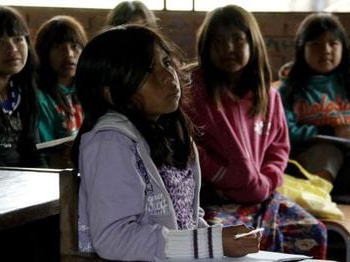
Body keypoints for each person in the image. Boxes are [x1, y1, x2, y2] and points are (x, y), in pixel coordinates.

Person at [72, 25, 261, 261]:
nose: (167, 75)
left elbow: (183, 221)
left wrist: (218, 238)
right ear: (111, 93)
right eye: (148, 70)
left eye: (167, 63)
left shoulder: (171, 134)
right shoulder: (112, 143)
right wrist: (209, 243)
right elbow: (114, 238)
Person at [186, 5, 327, 259]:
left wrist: (265, 183)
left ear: (253, 43)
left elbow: (279, 149)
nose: (228, 48)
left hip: (262, 196)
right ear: (206, 46)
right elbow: (189, 145)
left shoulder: (268, 96)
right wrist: (224, 177)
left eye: (238, 39)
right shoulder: (195, 90)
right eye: (219, 41)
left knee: (313, 231)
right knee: (229, 239)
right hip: (212, 197)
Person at [278, 12, 350, 260]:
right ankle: (315, 232)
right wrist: (325, 132)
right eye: (315, 44)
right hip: (311, 173)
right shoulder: (289, 88)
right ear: (301, 49)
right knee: (327, 152)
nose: (325, 50)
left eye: (333, 43)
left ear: (343, 48)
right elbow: (283, 133)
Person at [0, 6, 45, 167]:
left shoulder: (23, 89)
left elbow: (33, 152)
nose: (12, 49)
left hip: (22, 182)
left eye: (18, 39)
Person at [35, 15, 86, 143]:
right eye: (58, 47)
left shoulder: (89, 91)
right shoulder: (39, 97)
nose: (69, 54)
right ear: (44, 53)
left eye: (75, 46)